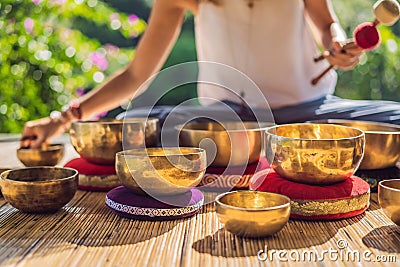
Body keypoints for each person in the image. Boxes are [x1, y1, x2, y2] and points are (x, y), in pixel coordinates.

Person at [21, 0, 399, 148]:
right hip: (225, 123)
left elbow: (327, 28)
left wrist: (339, 48)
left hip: (310, 115)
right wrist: (62, 119)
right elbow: (138, 73)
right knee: (135, 122)